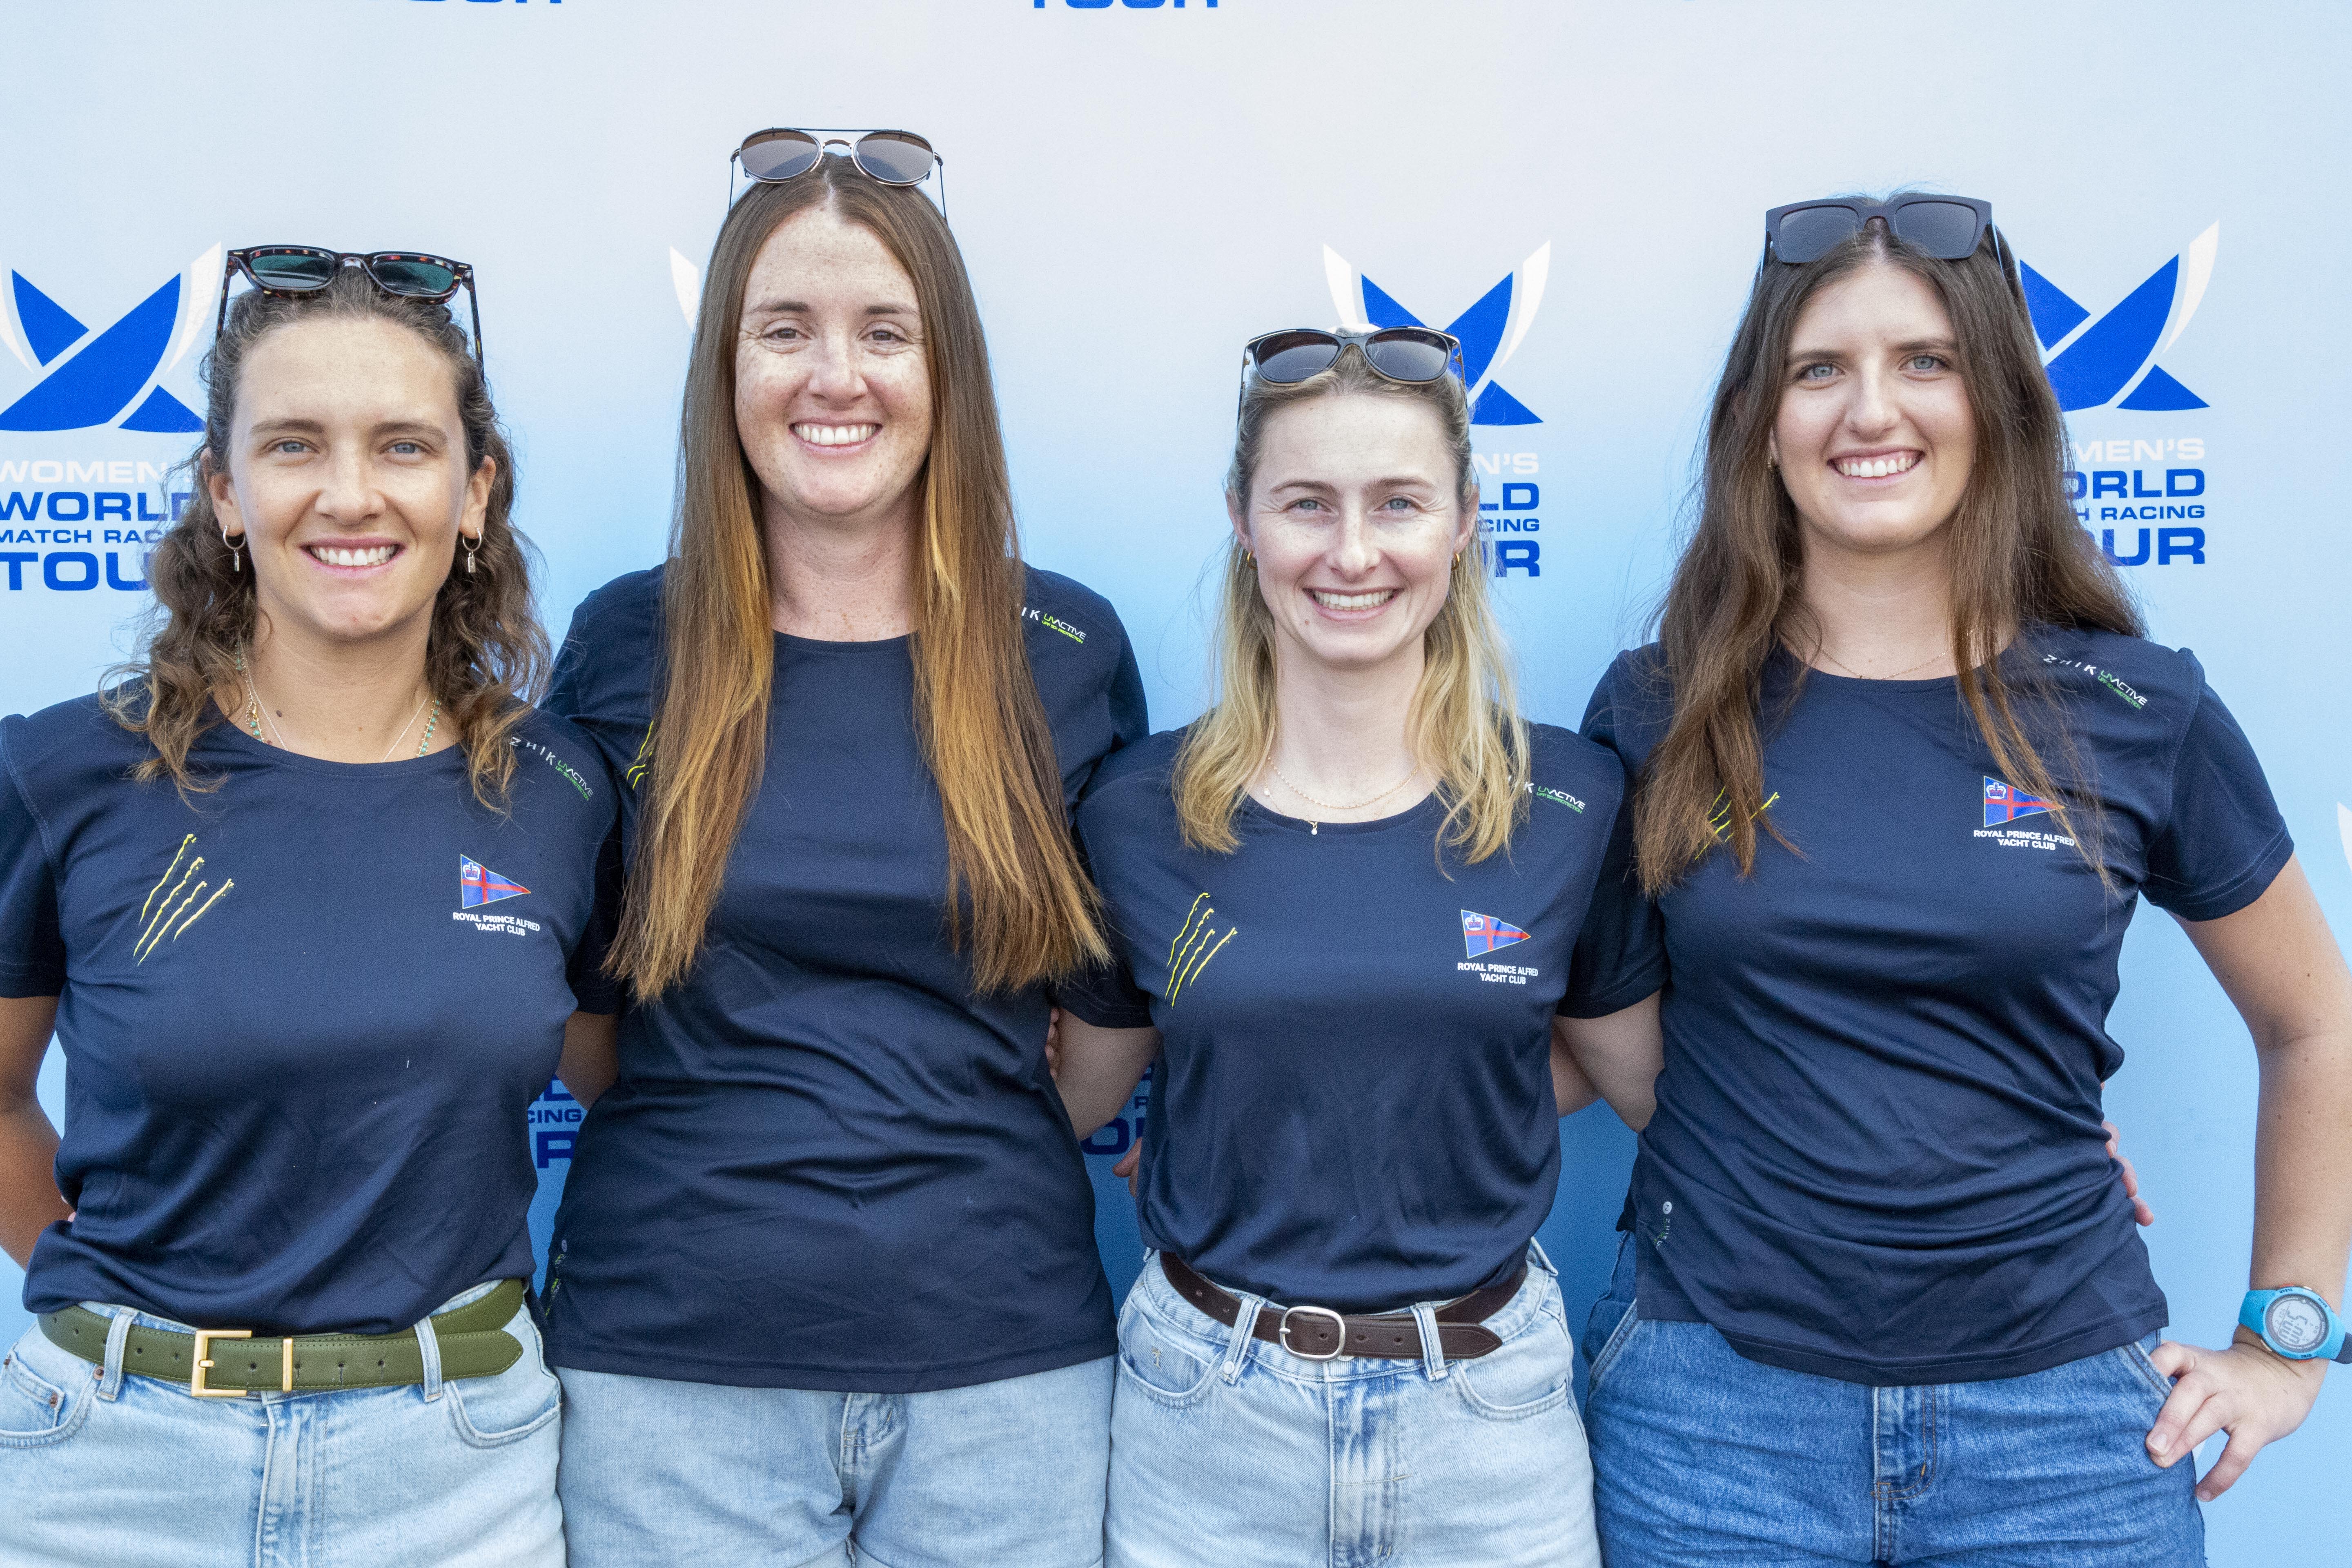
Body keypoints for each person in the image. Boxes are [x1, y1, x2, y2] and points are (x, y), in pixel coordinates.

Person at [1562, 194, 2352, 1566]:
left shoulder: (2136, 707)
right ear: (1764, 416)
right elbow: (1587, 1029)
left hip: (2064, 1441)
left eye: (1924, 361)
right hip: (1711, 1423)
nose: (1872, 410)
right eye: (1821, 369)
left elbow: (2315, 1025)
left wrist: (2289, 1342)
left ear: (1997, 401)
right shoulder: (1656, 710)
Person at [542, 135, 1144, 1568]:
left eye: (886, 331)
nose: (836, 377)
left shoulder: (1063, 647)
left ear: (948, 371)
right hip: (671, 1376)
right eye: (785, 331)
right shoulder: (631, 643)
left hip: (1006, 1372)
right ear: (725, 371)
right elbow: (577, 1016)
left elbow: (1110, 1017)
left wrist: (936, 1148)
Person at [0, 256, 618, 1567]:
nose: (350, 494)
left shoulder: (564, 793)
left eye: (404, 445)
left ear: (474, 494)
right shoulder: (63, 775)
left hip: (457, 1474)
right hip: (109, 1473)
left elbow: (623, 1076)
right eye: (293, 446)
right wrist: (136, 1323)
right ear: (227, 494)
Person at [1051, 326, 1628, 1568]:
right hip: (1204, 1417)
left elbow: (1650, 1081)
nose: (1353, 552)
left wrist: (1986, 1131)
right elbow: (1065, 1095)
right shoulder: (1135, 810)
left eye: (1399, 504)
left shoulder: (1571, 800)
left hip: (1490, 1425)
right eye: (1307, 503)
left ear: (1466, 520)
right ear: (1242, 521)